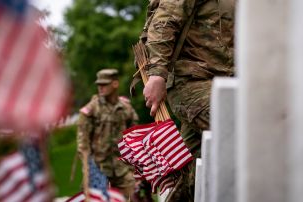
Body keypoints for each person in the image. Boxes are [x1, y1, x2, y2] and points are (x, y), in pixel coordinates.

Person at [139, 0, 235, 201]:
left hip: (227, 85)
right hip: (192, 83)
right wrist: (157, 75)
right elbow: (165, 21)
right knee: (236, 129)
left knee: (189, 174)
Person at [77, 69, 139, 199]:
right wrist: (87, 168)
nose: (100, 88)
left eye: (104, 84)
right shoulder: (92, 109)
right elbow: (83, 144)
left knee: (135, 194)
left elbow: (134, 136)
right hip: (98, 166)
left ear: (115, 84)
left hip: (121, 166)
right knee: (95, 198)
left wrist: (134, 164)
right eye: (99, 85)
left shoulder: (125, 108)